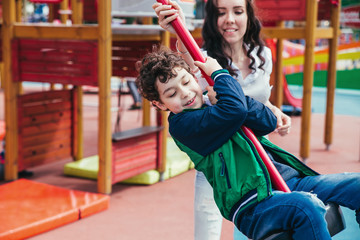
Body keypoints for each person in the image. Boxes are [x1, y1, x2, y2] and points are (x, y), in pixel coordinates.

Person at [136, 48, 360, 240]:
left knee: (356, 185)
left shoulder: (218, 104)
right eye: (172, 93)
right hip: (253, 203)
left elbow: (267, 121)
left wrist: (224, 96)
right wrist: (219, 74)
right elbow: (235, 110)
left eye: (186, 82)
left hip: (287, 180)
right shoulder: (183, 125)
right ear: (159, 104)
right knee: (306, 207)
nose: (185, 93)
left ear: (195, 78)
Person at [152, 0, 291, 238]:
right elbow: (188, 60)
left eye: (238, 11)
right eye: (221, 13)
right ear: (211, 19)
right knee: (208, 224)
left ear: (249, 16)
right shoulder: (202, 59)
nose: (229, 19)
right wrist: (179, 28)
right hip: (220, 161)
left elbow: (258, 100)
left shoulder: (263, 55)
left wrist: (275, 111)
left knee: (266, 225)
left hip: (257, 155)